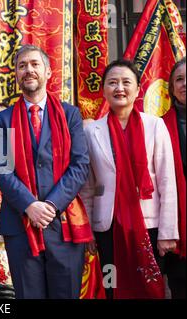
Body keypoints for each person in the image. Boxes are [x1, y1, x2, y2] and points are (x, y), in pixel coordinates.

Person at [0, 45, 92, 299]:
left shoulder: (70, 115)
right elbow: (3, 171)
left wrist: (49, 204)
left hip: (63, 222)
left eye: (35, 64)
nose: (29, 70)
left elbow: (80, 165)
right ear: (16, 74)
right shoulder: (4, 119)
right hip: (20, 223)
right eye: (22, 65)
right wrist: (30, 206)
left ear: (48, 71)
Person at [80, 59, 178, 299]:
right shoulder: (91, 131)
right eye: (112, 83)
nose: (119, 88)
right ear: (104, 90)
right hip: (107, 227)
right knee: (112, 284)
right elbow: (88, 186)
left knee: (149, 287)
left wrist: (167, 232)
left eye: (126, 82)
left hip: (149, 225)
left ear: (137, 90)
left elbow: (167, 181)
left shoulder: (155, 126)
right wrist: (88, 231)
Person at [162, 57, 186, 299]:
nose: (185, 84)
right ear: (171, 88)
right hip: (177, 224)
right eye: (179, 79)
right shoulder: (160, 127)